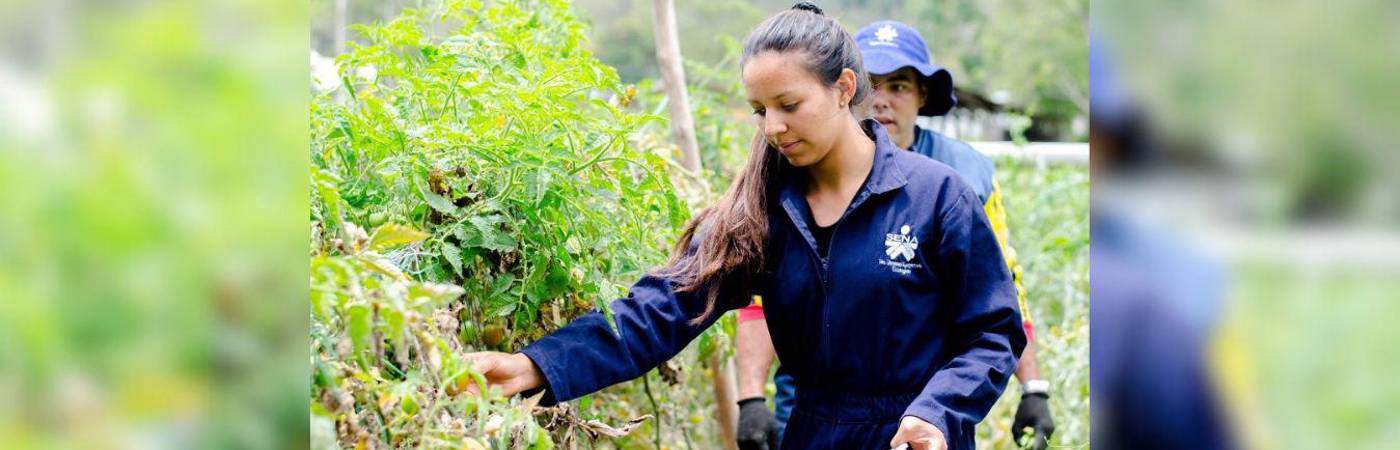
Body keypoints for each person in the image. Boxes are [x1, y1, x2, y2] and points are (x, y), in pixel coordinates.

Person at [459, 3, 1025, 449]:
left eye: (788, 104)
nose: (773, 127)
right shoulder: (764, 210)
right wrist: (537, 364)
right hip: (812, 432)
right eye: (759, 110)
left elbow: (993, 334)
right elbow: (660, 307)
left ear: (844, 88)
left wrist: (937, 413)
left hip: (915, 437)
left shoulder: (934, 196)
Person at [733, 20, 1058, 450]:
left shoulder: (962, 178)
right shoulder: (790, 172)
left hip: (925, 415)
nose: (882, 101)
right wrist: (751, 397)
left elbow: (999, 293)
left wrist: (1032, 387)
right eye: (873, 84)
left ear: (923, 95)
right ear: (849, 89)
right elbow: (759, 290)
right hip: (811, 411)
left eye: (899, 86)